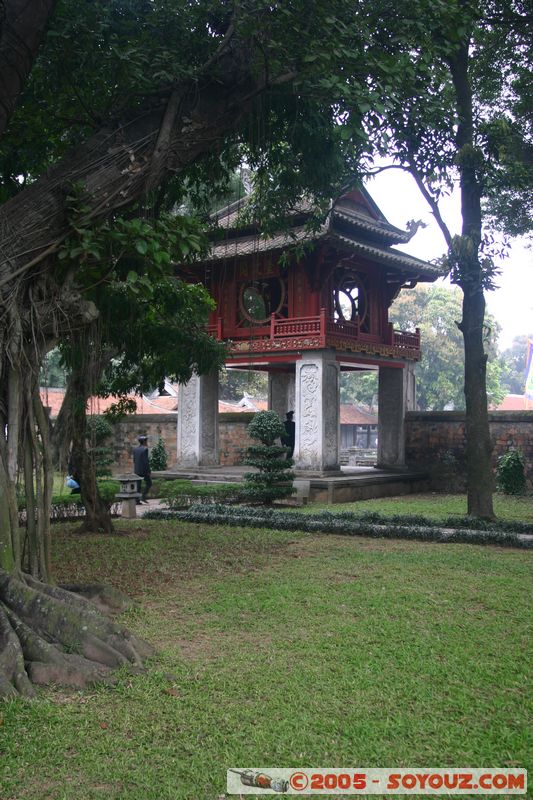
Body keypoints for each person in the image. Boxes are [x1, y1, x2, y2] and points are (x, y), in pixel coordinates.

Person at [132, 435, 152, 504]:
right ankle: (143, 496)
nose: (147, 442)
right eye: (146, 441)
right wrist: (148, 470)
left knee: (138, 485)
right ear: (144, 442)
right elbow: (145, 461)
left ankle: (137, 500)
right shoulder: (145, 449)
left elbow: (134, 460)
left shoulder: (135, 449)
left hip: (137, 470)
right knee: (149, 483)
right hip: (144, 470)